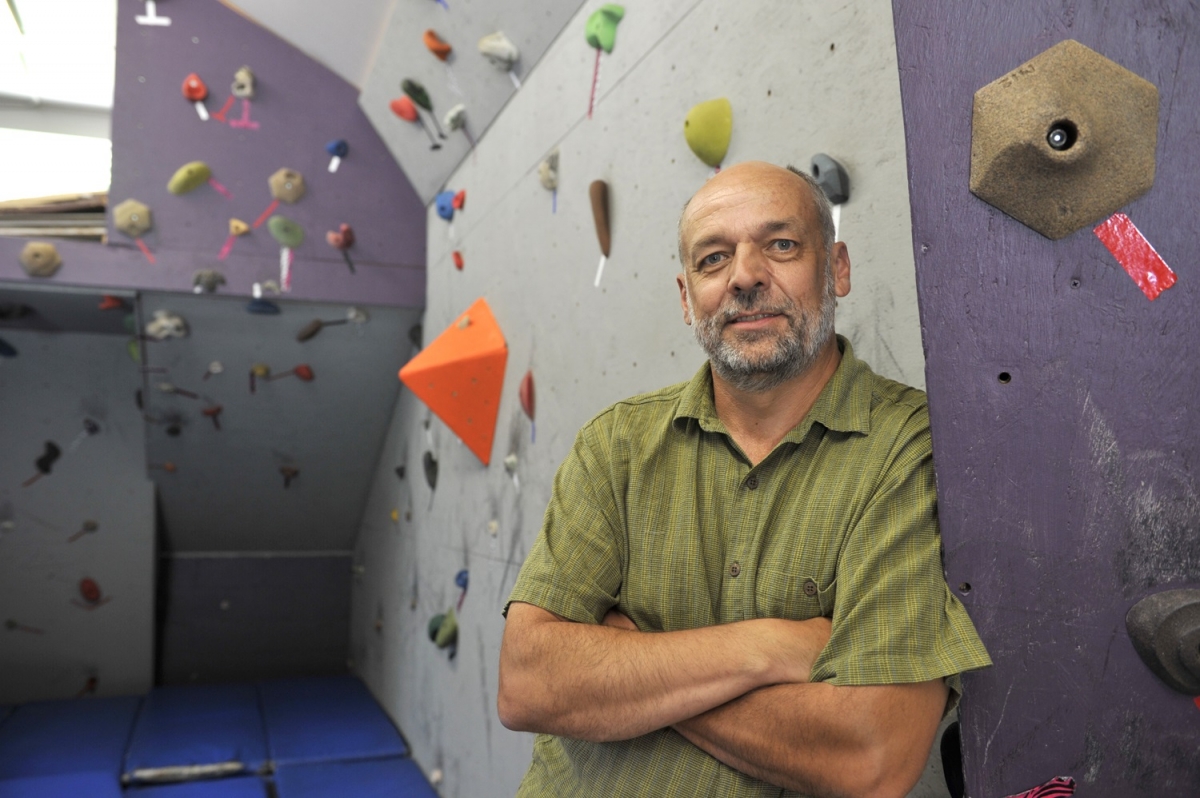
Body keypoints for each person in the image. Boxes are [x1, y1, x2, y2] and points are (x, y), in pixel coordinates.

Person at [497, 161, 991, 797]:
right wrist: (767, 649)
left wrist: (635, 665)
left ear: (836, 268)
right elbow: (528, 684)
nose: (746, 276)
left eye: (781, 245)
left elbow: (873, 757)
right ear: (686, 299)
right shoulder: (615, 446)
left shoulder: (911, 450)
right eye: (712, 259)